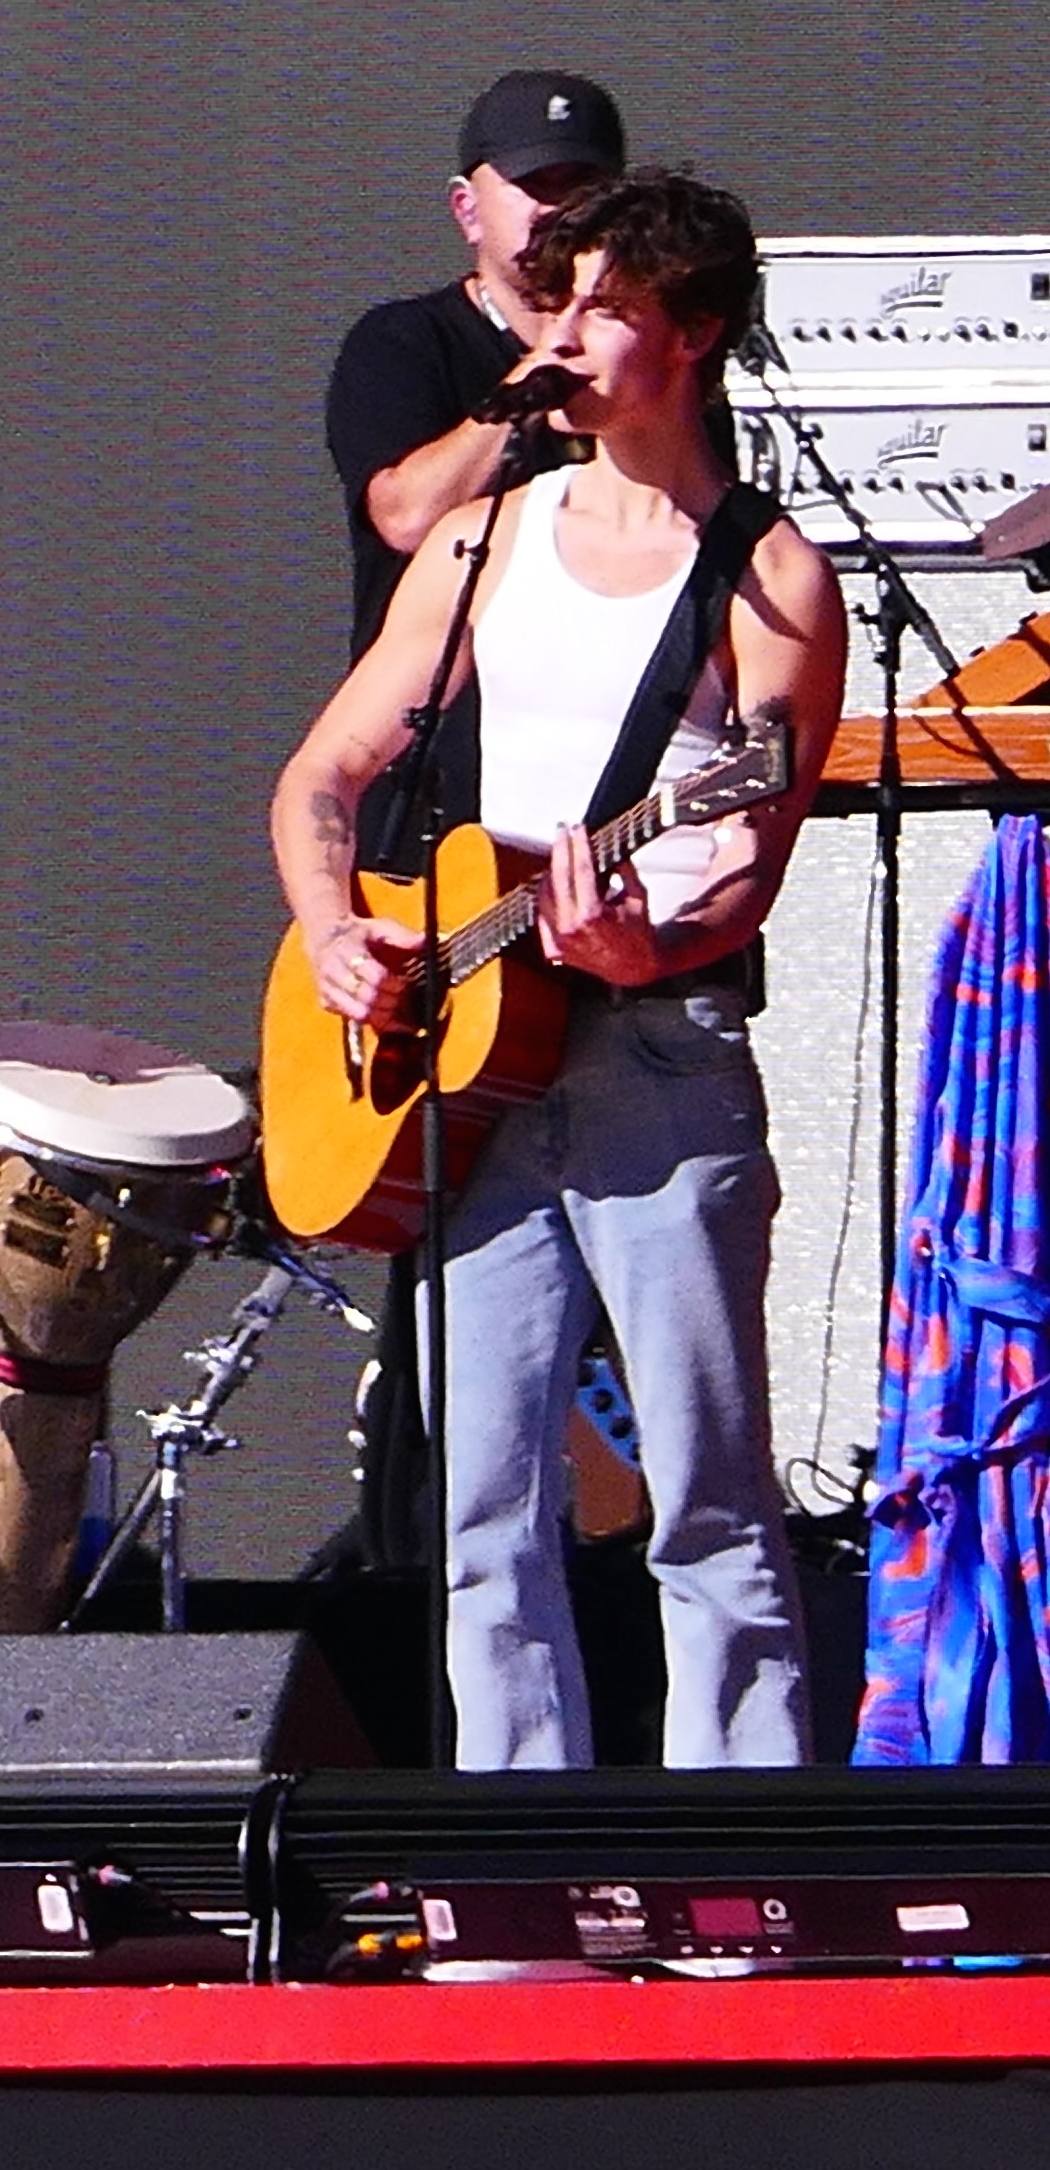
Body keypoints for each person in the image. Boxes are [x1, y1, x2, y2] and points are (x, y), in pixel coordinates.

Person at [272, 168, 847, 1769]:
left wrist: (641, 938)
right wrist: (334, 928)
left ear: (697, 333)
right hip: (471, 1063)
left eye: (608, 307)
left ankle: (745, 1878)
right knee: (482, 1507)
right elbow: (321, 779)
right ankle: (516, 1877)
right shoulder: (478, 543)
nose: (568, 335)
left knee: (706, 1492)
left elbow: (745, 865)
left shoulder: (769, 579)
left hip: (658, 1055)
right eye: (562, 298)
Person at [325, 70, 625, 867]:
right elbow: (405, 517)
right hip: (433, 793)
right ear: (466, 209)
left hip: (601, 788)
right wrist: (532, 381)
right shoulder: (401, 345)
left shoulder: (654, 372)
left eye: (581, 186)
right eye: (532, 185)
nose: (556, 209)